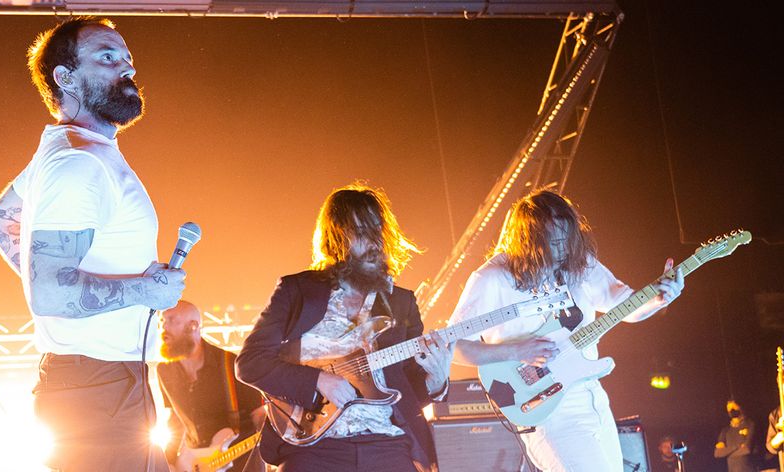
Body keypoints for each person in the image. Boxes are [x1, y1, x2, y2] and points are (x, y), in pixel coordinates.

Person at [0, 17, 185, 471]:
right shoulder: (78, 163)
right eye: (108, 58)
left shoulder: (71, 149)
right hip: (98, 386)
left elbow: (0, 218)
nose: (127, 70)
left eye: (128, 61)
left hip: (102, 383)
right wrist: (142, 291)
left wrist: (46, 274)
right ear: (65, 77)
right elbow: (51, 295)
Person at [447, 188, 684, 472]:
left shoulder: (578, 266)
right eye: (552, 241)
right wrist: (516, 350)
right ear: (528, 239)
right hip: (544, 406)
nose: (561, 249)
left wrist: (659, 298)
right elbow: (454, 346)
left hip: (592, 396)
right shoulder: (492, 279)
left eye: (566, 239)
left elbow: (625, 305)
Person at [235, 183, 453, 472]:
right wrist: (317, 381)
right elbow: (250, 363)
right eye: (362, 233)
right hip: (313, 447)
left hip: (386, 444)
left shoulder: (401, 303)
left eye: (378, 234)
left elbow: (408, 391)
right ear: (336, 238)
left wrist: (436, 381)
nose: (374, 243)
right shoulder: (298, 291)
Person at [157, 300, 265, 472]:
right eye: (161, 321)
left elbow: (259, 417)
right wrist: (169, 460)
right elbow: (176, 420)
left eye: (171, 320)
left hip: (241, 463)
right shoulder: (164, 371)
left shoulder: (232, 365)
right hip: (195, 464)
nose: (163, 328)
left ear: (193, 326)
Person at [714, 400, 755, 472]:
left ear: (740, 407)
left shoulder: (750, 425)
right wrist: (738, 447)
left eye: (733, 407)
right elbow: (717, 453)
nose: (731, 410)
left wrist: (727, 453)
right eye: (728, 408)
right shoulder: (725, 430)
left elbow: (747, 449)